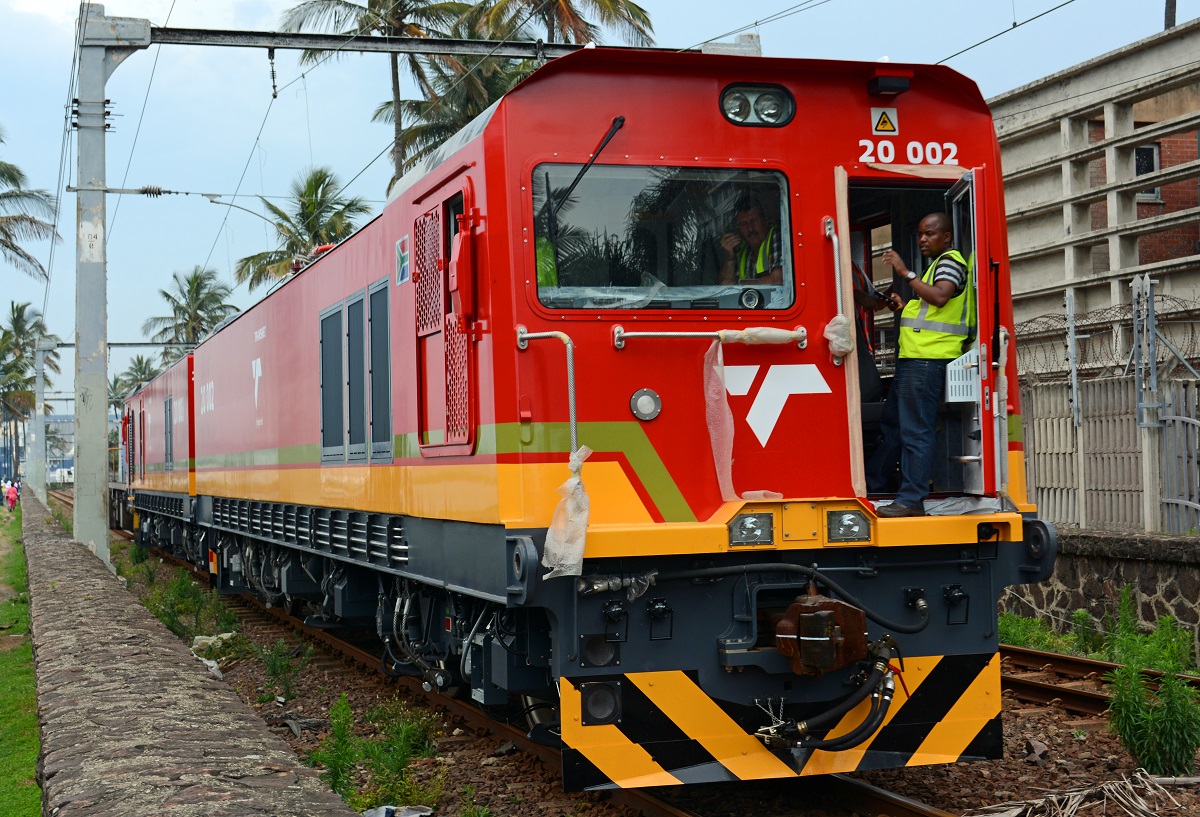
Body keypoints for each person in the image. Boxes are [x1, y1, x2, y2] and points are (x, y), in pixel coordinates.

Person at [866, 212, 972, 518]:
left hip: (928, 361)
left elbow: (940, 297)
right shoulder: (937, 266)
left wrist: (905, 272)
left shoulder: (951, 261)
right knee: (894, 426)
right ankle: (877, 484)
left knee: (916, 431)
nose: (923, 239)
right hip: (915, 360)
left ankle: (911, 499)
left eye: (930, 234)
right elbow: (930, 307)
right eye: (920, 234)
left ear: (947, 237)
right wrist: (905, 303)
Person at [718, 196, 783, 285]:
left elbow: (778, 279)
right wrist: (729, 258)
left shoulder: (776, 234)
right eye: (744, 224)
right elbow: (725, 283)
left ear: (765, 221)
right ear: (739, 229)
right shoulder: (742, 249)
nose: (750, 229)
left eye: (754, 221)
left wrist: (737, 285)